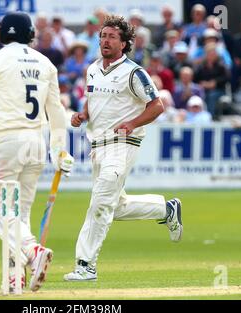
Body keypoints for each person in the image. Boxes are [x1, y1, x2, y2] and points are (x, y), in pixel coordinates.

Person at [0, 12, 74, 292]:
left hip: (6, 140)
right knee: (18, 216)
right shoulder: (45, 63)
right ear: (29, 33)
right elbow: (56, 110)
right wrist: (60, 149)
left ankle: (33, 252)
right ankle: (15, 278)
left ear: (4, 32)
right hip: (37, 142)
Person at [65, 15, 183, 282]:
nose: (105, 41)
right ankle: (166, 209)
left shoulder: (134, 72)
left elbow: (157, 106)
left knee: (99, 204)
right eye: (103, 36)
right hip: (98, 145)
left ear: (125, 43)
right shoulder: (93, 68)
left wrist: (132, 123)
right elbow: (92, 101)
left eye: (111, 37)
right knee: (115, 207)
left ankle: (86, 265)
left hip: (122, 145)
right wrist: (82, 115)